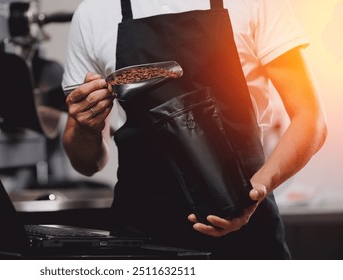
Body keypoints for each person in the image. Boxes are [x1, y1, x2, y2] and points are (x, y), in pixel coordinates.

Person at [61, 0, 327, 259]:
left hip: (246, 232)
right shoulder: (93, 13)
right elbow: (87, 163)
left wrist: (255, 191)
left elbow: (310, 118)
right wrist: (85, 127)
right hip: (143, 237)